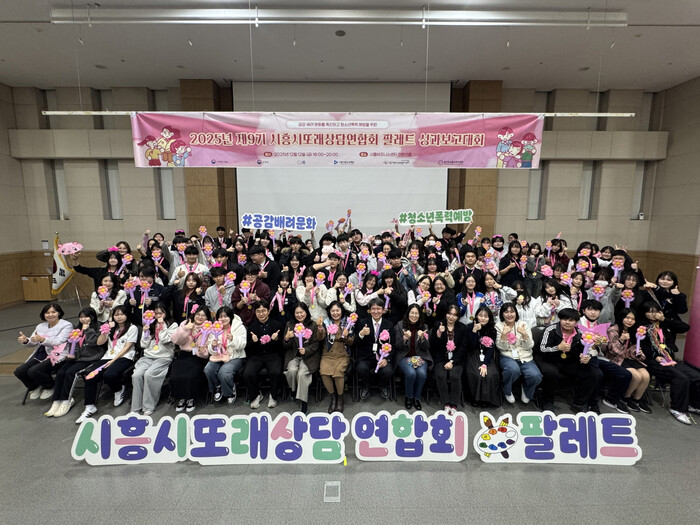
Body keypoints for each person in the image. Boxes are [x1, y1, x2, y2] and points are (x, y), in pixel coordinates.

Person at [638, 301, 700, 425]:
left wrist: (664, 319)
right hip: (653, 361)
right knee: (681, 377)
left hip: (670, 359)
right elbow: (640, 346)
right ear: (644, 313)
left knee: (696, 375)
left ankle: (693, 404)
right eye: (649, 311)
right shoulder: (641, 326)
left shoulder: (664, 323)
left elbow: (684, 327)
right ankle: (677, 409)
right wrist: (654, 356)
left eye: (655, 311)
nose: (653, 314)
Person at [75, 305, 139, 423]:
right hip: (108, 356)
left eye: (122, 314)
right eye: (116, 314)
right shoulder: (111, 327)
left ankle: (118, 389)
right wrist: (105, 331)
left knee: (109, 374)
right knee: (90, 375)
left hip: (124, 357)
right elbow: (100, 343)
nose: (119, 317)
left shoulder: (132, 328)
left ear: (127, 315)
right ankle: (89, 407)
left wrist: (113, 360)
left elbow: (127, 347)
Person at [536, 308, 600, 413]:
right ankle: (547, 401)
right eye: (564, 319)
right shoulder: (550, 330)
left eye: (571, 320)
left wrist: (585, 357)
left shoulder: (580, 333)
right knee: (551, 372)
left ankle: (579, 403)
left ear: (576, 322)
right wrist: (558, 348)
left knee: (593, 373)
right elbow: (542, 349)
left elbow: (583, 349)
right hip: (547, 358)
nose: (567, 322)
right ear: (560, 319)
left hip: (568, 360)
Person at [45, 307, 105, 418]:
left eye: (86, 317)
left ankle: (66, 400)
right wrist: (73, 355)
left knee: (70, 373)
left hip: (90, 359)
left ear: (92, 317)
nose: (83, 319)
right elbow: (75, 346)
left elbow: (93, 343)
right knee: (61, 372)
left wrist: (87, 330)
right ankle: (56, 400)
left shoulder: (98, 328)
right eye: (81, 317)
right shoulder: (77, 329)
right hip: (77, 358)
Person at [14, 303, 73, 400]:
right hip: (41, 355)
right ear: (44, 314)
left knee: (34, 371)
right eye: (47, 313)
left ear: (59, 313)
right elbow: (33, 341)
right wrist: (26, 340)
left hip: (57, 355)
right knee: (19, 371)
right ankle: (34, 386)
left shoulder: (66, 325)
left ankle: (50, 386)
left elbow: (58, 341)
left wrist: (42, 339)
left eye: (53, 312)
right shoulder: (40, 326)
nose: (50, 315)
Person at [130, 305, 178, 415]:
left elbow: (165, 340)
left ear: (166, 313)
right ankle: (136, 407)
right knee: (136, 375)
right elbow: (143, 344)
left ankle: (148, 405)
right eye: (156, 313)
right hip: (148, 356)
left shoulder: (173, 325)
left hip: (164, 357)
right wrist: (145, 332)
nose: (159, 315)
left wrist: (162, 326)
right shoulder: (150, 323)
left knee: (149, 374)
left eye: (161, 313)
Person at [605, 309, 652, 414]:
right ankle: (625, 398)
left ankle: (636, 400)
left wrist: (637, 352)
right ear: (621, 317)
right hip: (616, 358)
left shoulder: (634, 331)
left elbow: (632, 349)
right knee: (636, 376)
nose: (630, 321)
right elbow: (614, 351)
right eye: (627, 318)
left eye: (633, 319)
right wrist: (621, 339)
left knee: (646, 376)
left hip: (629, 358)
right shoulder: (613, 330)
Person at [495, 303, 542, 405]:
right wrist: (504, 334)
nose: (509, 314)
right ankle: (507, 390)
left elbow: (529, 346)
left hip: (525, 356)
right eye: (506, 312)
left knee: (535, 376)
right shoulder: (498, 326)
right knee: (512, 370)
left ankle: (526, 388)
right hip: (507, 355)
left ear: (516, 313)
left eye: (512, 311)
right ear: (502, 314)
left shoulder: (523, 325)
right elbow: (502, 348)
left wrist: (524, 335)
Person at [169, 305, 212, 413]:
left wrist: (203, 351)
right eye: (198, 314)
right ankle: (181, 397)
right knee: (176, 375)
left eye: (203, 315)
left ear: (207, 318)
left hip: (198, 356)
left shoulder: (209, 328)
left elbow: (208, 350)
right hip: (184, 354)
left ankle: (191, 398)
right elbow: (176, 340)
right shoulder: (185, 323)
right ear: (194, 314)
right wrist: (186, 329)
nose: (200, 317)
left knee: (191, 375)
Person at [203, 306, 247, 404]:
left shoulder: (239, 327)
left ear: (230, 317)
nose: (223, 319)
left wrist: (233, 339)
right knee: (208, 369)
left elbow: (243, 344)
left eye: (225, 316)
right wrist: (213, 346)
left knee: (224, 372)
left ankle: (230, 391)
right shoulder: (214, 328)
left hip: (235, 356)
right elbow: (210, 347)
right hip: (219, 356)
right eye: (220, 317)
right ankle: (218, 386)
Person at [355, 298, 396, 400]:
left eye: (378, 309)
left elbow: (393, 345)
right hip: (366, 357)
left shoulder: (389, 325)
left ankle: (382, 386)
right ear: (369, 310)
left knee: (388, 371)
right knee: (361, 368)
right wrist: (361, 334)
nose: (376, 311)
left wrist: (387, 359)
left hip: (383, 357)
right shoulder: (363, 323)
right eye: (373, 309)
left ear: (383, 310)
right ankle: (366, 386)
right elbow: (356, 343)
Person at [430, 304, 467, 415]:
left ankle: (454, 404)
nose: (451, 317)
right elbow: (433, 345)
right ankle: (446, 402)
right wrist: (439, 334)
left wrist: (452, 361)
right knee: (441, 375)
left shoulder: (462, 328)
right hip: (441, 358)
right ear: (446, 314)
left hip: (456, 359)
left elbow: (463, 348)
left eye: (454, 315)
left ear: (458, 317)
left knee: (455, 376)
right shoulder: (438, 324)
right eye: (449, 314)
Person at [246, 301, 285, 409]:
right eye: (258, 311)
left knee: (275, 372)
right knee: (248, 373)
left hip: (273, 354)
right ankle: (256, 395)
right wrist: (253, 342)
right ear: (255, 313)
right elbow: (247, 348)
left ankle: (273, 395)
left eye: (263, 311)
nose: (261, 314)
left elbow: (283, 346)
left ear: (268, 311)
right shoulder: (251, 327)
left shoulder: (277, 325)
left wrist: (276, 339)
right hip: (256, 356)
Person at [283, 302, 320, 414]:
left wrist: (306, 350)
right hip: (293, 355)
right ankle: (293, 390)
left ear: (306, 312)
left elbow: (316, 344)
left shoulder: (313, 325)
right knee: (292, 371)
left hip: (309, 356)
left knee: (302, 374)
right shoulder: (290, 325)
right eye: (297, 313)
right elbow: (285, 346)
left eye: (301, 312)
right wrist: (287, 338)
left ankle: (304, 401)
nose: (299, 315)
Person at [318, 301, 355, 413]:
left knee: (338, 372)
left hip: (342, 353)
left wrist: (346, 336)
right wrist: (320, 328)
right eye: (333, 311)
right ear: (329, 312)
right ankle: (333, 397)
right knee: (323, 372)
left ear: (341, 311)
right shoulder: (326, 322)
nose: (335, 313)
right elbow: (320, 338)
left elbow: (351, 342)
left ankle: (340, 398)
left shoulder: (348, 322)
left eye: (337, 310)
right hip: (328, 353)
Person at [394, 304, 432, 410]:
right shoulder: (399, 325)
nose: (414, 315)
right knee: (411, 373)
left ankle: (417, 398)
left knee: (422, 374)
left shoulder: (424, 327)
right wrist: (404, 338)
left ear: (420, 315)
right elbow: (397, 346)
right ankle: (409, 397)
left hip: (421, 356)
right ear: (408, 314)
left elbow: (426, 348)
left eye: (416, 313)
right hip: (404, 356)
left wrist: (422, 339)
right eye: (412, 313)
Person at [464, 306, 501, 407]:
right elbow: (470, 346)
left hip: (486, 355)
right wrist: (474, 331)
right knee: (476, 374)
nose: (483, 318)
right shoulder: (469, 327)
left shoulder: (492, 330)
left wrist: (485, 364)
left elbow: (491, 349)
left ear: (489, 318)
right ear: (476, 316)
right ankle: (475, 399)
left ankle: (487, 399)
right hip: (472, 354)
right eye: (480, 315)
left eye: (486, 316)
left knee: (491, 373)